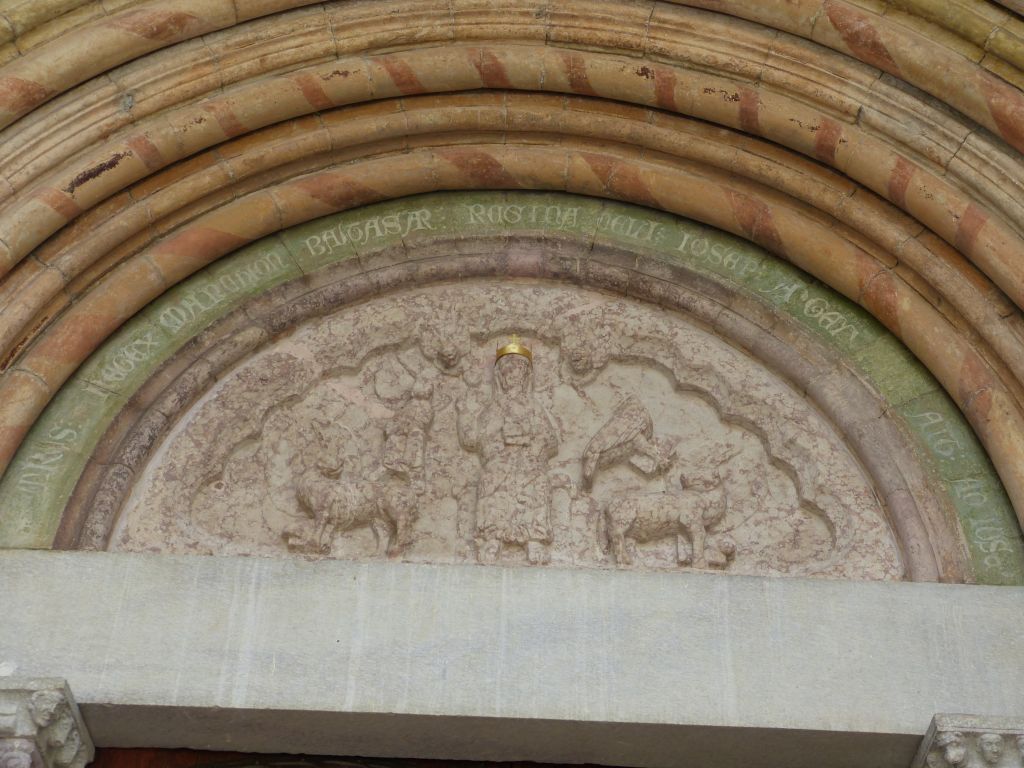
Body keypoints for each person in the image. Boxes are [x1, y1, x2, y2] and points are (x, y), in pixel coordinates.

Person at [458, 337, 559, 564]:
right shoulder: (494, 408)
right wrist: (467, 415)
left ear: (526, 378)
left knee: (538, 482)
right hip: (499, 461)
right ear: (500, 378)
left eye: (518, 373)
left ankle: (534, 539)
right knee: (491, 481)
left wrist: (532, 442)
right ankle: (493, 538)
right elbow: (474, 440)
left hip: (529, 461)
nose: (513, 378)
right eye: (508, 373)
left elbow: (551, 440)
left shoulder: (534, 408)